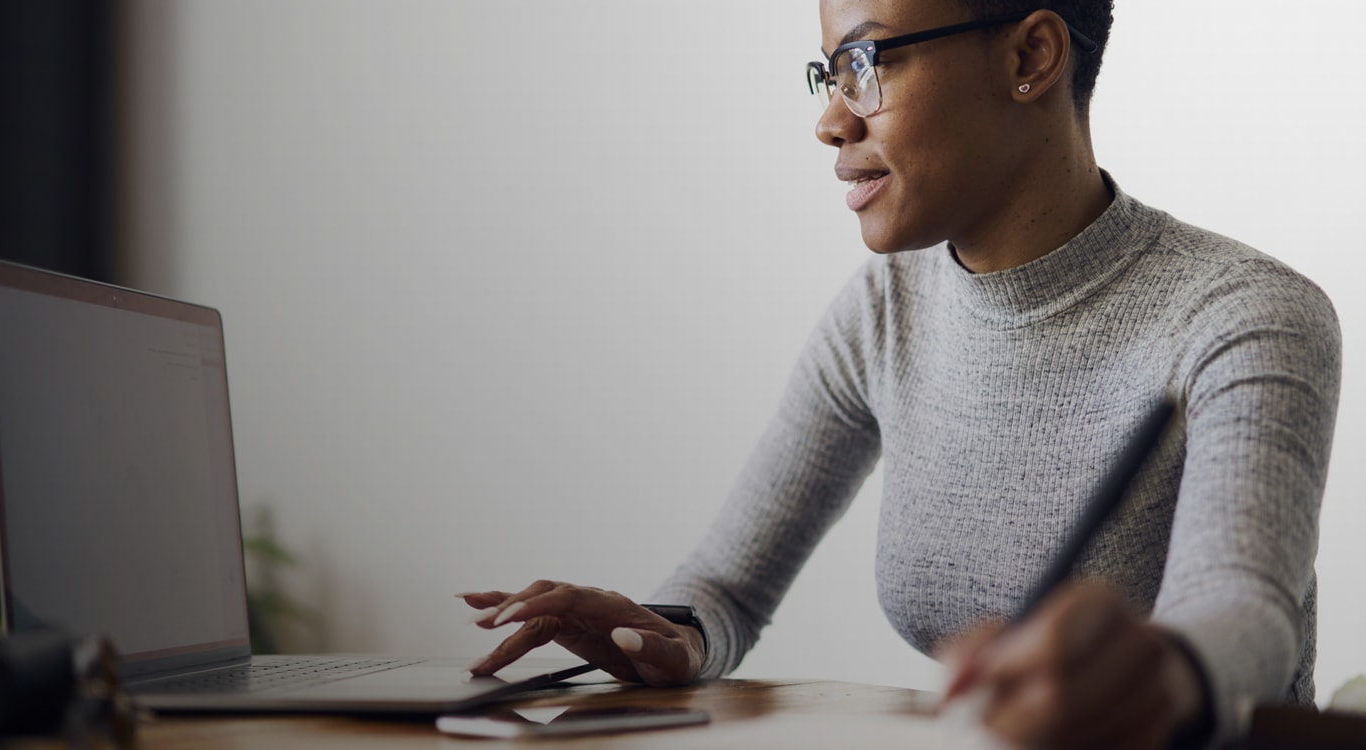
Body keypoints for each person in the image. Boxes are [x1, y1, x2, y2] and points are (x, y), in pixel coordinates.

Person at [457, 1, 1342, 748]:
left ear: (1030, 55)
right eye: (828, 73)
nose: (831, 119)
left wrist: (1165, 670)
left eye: (866, 61)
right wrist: (669, 635)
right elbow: (723, 592)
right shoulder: (886, 310)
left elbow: (1245, 613)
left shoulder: (1244, 314)